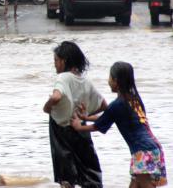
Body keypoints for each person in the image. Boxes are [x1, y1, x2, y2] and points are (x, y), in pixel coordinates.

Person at [71, 62, 167, 188]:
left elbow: (98, 126)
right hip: (152, 148)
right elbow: (107, 118)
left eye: (110, 78)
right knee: (135, 185)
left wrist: (78, 127)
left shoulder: (117, 104)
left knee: (146, 185)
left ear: (116, 81)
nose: (108, 81)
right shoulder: (134, 99)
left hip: (142, 151)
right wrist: (86, 117)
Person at [43, 41, 107, 188]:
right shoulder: (85, 81)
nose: (55, 65)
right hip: (80, 129)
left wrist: (47, 108)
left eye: (56, 60)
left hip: (61, 131)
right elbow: (104, 105)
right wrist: (84, 114)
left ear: (64, 61)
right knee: (89, 173)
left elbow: (56, 97)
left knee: (66, 177)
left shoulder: (63, 78)